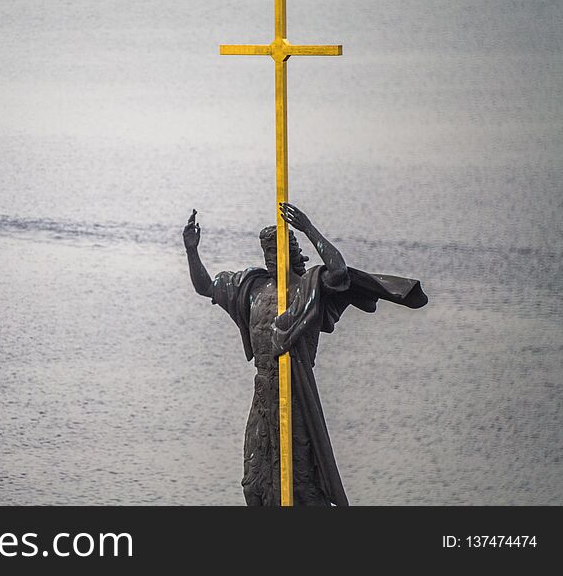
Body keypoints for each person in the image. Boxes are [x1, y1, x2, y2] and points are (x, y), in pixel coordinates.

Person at [183, 203, 427, 505]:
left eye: (276, 252)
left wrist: (308, 228)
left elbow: (339, 272)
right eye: (266, 254)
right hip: (263, 395)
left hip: (295, 392)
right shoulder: (252, 288)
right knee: (255, 484)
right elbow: (206, 287)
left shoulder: (310, 287)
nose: (270, 259)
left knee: (300, 483)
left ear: (291, 253)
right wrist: (192, 251)